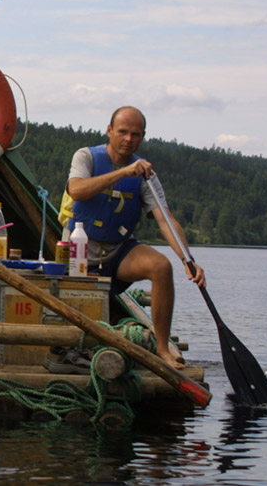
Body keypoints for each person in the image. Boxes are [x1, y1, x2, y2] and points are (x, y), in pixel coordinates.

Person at [64, 106, 206, 369]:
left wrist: (188, 259)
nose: (128, 139)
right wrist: (123, 172)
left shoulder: (145, 175)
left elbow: (165, 220)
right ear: (109, 130)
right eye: (123, 132)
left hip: (118, 251)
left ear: (142, 137)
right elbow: (77, 190)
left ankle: (163, 349)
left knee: (161, 267)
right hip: (80, 250)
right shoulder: (87, 157)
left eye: (136, 134)